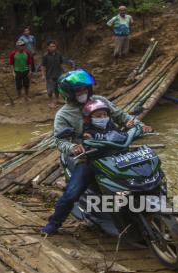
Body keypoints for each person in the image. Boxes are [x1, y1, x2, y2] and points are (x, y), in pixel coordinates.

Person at [41, 69, 152, 235]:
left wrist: (138, 124)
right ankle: (54, 223)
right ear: (69, 93)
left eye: (85, 89)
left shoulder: (100, 100)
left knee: (145, 176)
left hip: (116, 151)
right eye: (78, 90)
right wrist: (73, 147)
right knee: (71, 194)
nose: (83, 93)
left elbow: (121, 116)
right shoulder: (63, 114)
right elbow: (60, 141)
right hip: (88, 158)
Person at [41, 40, 75, 108]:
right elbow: (43, 66)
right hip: (49, 75)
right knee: (50, 90)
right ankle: (50, 102)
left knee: (57, 88)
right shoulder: (45, 56)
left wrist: (65, 71)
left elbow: (61, 64)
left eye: (54, 46)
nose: (53, 48)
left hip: (58, 74)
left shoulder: (58, 54)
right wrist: (43, 75)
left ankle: (57, 100)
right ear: (48, 47)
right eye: (51, 46)